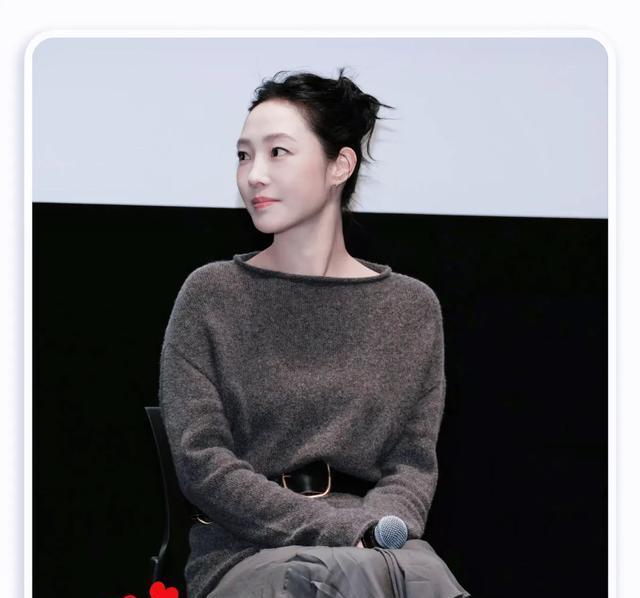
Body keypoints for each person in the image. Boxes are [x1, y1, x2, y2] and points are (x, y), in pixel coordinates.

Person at [158, 67, 471, 598]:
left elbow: (412, 465)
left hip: (378, 551)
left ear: (339, 165)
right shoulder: (211, 295)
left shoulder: (410, 308)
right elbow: (202, 463)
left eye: (277, 152)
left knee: (418, 580)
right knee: (334, 580)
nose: (254, 175)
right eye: (243, 156)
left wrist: (378, 531)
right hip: (247, 551)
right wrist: (345, 532)